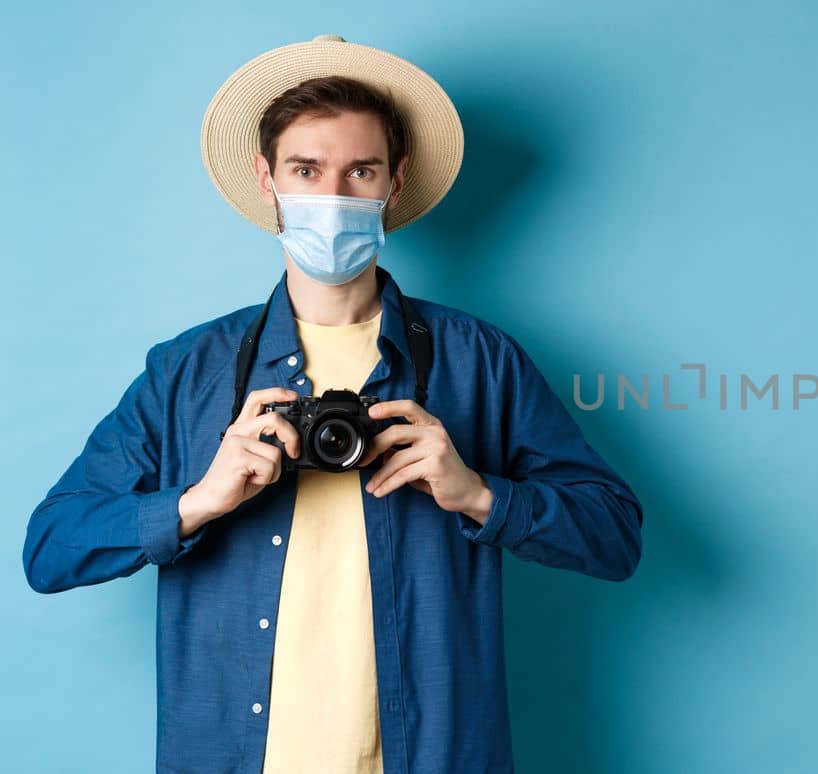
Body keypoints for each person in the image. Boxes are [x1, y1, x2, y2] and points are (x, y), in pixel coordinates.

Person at [21, 34, 644, 773]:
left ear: (395, 181)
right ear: (268, 178)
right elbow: (49, 550)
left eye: (361, 171)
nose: (333, 198)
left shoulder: (478, 361)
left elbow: (615, 536)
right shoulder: (191, 370)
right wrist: (197, 502)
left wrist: (478, 494)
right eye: (307, 171)